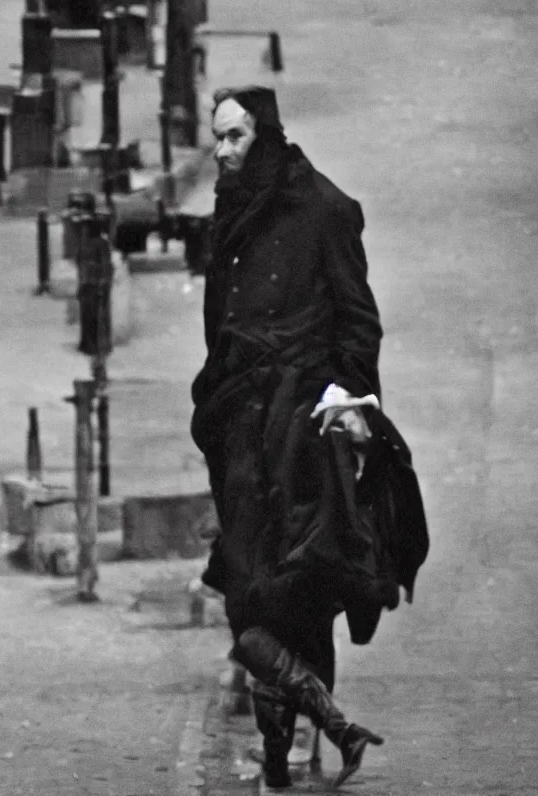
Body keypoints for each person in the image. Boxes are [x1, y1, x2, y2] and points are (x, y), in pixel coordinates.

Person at [190, 86, 429, 790]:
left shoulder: (324, 209)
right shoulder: (231, 213)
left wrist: (350, 403)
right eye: (217, 139)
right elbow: (219, 320)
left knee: (303, 592)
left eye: (233, 137)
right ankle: (301, 739)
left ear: (264, 136)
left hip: (304, 426)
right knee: (247, 594)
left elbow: (359, 321)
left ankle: (297, 754)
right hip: (241, 426)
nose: (221, 151)